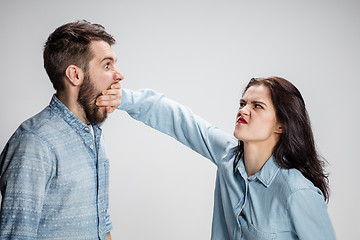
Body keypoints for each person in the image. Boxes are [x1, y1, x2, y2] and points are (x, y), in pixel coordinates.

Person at [101, 76, 336, 239]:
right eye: (243, 103)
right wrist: (124, 98)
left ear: (281, 125)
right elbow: (179, 119)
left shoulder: (298, 192)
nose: (243, 110)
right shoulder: (227, 157)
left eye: (257, 106)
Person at [0, 20, 123, 239]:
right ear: (75, 75)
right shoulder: (34, 144)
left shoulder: (93, 133)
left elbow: (101, 222)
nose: (119, 75)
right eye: (107, 65)